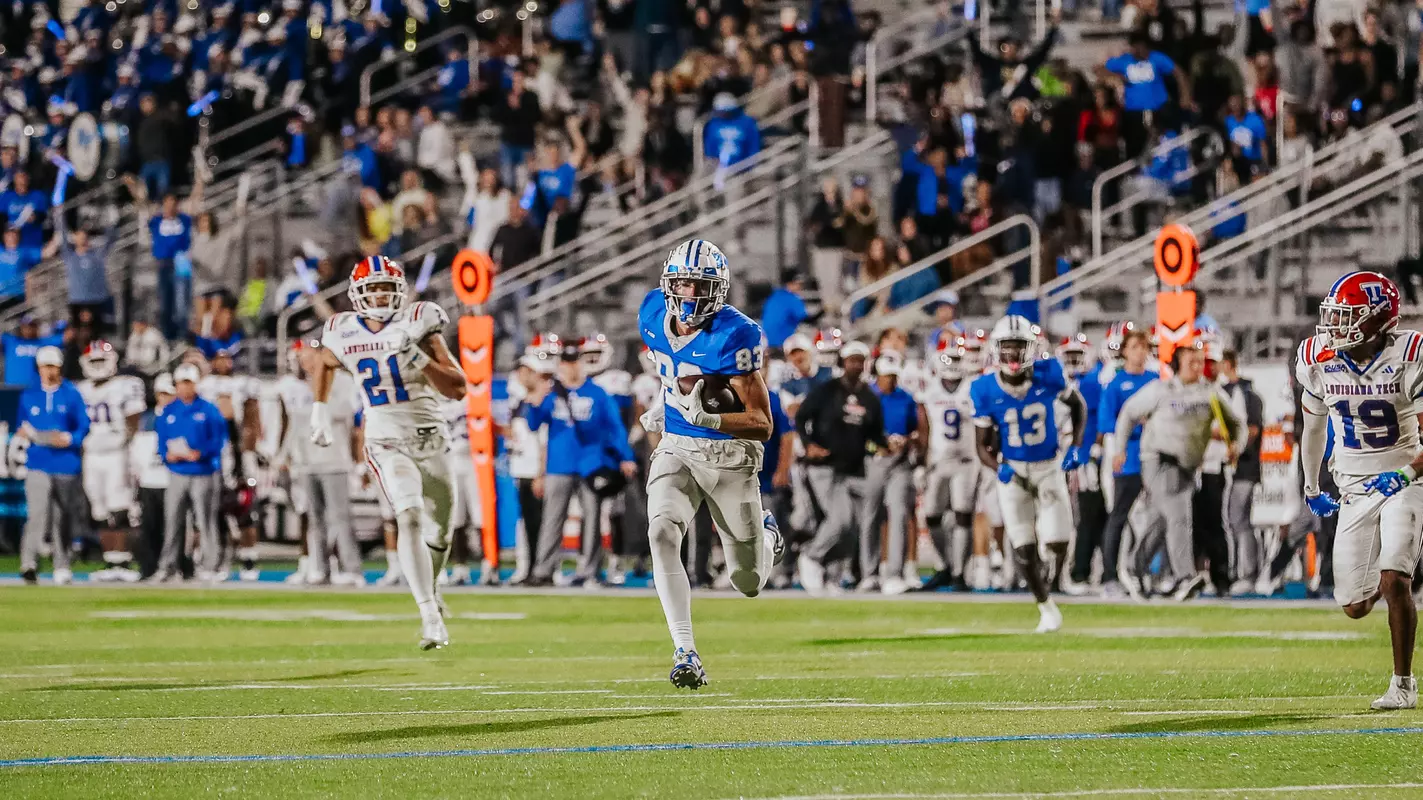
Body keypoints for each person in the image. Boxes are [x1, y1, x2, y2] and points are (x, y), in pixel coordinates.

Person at [637, 238, 783, 689]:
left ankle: (769, 536)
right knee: (661, 532)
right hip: (678, 447)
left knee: (748, 581)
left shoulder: (736, 333)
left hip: (730, 457)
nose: (688, 295)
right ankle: (685, 650)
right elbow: (671, 369)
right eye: (680, 284)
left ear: (717, 290)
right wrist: (669, 406)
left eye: (698, 286)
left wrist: (710, 416)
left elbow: (762, 423)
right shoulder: (651, 315)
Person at [310, 255, 469, 650]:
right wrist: (320, 409)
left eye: (386, 288)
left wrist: (416, 356)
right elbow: (324, 362)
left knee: (441, 532)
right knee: (409, 515)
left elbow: (458, 387)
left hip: (431, 437)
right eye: (373, 288)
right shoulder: (342, 330)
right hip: (385, 438)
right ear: (357, 294)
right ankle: (429, 614)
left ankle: (431, 591)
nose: (380, 295)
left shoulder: (418, 324)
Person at [1295, 272, 1423, 710]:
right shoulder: (1318, 357)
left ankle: (1403, 684)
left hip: (1408, 478)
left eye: (1347, 316)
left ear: (1379, 321)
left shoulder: (1410, 355)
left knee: (1394, 577)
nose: (1335, 325)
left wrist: (1406, 474)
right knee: (1353, 605)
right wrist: (1311, 483)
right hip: (1354, 486)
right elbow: (1313, 426)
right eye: (1333, 315)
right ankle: (1390, 588)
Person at [970, 315, 1087, 633]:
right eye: (1006, 349)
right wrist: (998, 467)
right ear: (996, 350)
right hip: (1015, 470)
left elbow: (1079, 407)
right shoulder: (983, 389)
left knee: (1058, 539)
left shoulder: (1048, 374)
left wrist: (1075, 447)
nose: (1012, 355)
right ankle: (1045, 606)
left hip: (1048, 466)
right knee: (1022, 544)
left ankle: (1053, 576)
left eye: (1018, 348)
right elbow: (981, 445)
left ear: (1030, 349)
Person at [1114, 341, 1246, 602]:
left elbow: (1237, 423)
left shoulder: (1211, 393)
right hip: (1158, 459)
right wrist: (1120, 449)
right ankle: (1185, 576)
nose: (1197, 367)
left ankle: (1132, 568)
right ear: (1176, 365)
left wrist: (1236, 447)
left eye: (1200, 361)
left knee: (1161, 521)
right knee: (1179, 516)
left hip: (1186, 467)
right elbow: (1129, 412)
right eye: (1191, 362)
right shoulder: (1161, 390)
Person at [795, 340, 884, 596]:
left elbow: (875, 434)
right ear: (842, 362)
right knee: (840, 519)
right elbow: (802, 416)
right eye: (851, 359)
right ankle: (811, 556)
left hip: (853, 468)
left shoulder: (869, 397)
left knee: (851, 527)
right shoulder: (828, 390)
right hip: (824, 466)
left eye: (860, 360)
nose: (856, 364)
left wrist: (887, 444)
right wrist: (808, 444)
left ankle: (831, 574)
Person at [277, 342, 364, 586]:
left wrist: (319, 398)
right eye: (302, 358)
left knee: (340, 517)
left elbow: (345, 410)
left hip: (334, 459)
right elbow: (294, 424)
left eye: (309, 357)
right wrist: (284, 457)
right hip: (306, 462)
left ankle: (351, 568)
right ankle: (320, 567)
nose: (305, 363)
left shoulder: (342, 381)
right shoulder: (298, 387)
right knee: (314, 520)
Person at [16, 346, 89, 585]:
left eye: (52, 366)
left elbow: (83, 426)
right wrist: (27, 434)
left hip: (66, 463)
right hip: (38, 461)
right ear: (38, 368)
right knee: (37, 513)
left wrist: (69, 438)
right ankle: (29, 562)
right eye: (44, 367)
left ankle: (62, 564)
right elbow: (22, 425)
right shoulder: (29, 394)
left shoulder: (71, 393)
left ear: (59, 367)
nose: (48, 371)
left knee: (62, 517)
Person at [152, 363, 228, 584]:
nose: (185, 388)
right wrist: (168, 455)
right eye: (181, 383)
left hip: (203, 471)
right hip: (177, 472)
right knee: (173, 521)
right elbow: (162, 442)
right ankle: (168, 567)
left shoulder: (208, 410)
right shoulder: (169, 411)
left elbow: (219, 440)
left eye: (188, 383)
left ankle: (210, 566)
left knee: (205, 521)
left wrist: (201, 453)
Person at [76, 340, 145, 582]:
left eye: (101, 360)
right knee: (99, 508)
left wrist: (130, 448)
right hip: (92, 454)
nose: (97, 366)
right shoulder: (80, 389)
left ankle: (124, 560)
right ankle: (110, 560)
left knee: (121, 506)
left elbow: (134, 420)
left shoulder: (127, 385)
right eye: (93, 361)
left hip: (117, 452)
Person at [1096, 326, 1156, 599]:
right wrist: (1134, 423)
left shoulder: (1156, 381)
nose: (1140, 352)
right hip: (1128, 458)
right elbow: (1107, 422)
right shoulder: (1116, 384)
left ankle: (1144, 571)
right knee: (1118, 517)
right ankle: (1110, 576)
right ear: (1124, 351)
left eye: (1143, 347)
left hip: (1154, 457)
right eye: (1135, 347)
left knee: (1155, 519)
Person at [860, 354, 926, 594]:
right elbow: (856, 431)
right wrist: (876, 444)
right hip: (872, 461)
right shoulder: (866, 397)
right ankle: (869, 573)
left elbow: (916, 430)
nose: (891, 380)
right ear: (878, 375)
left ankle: (895, 574)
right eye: (887, 376)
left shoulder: (905, 398)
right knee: (870, 516)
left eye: (894, 376)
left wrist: (907, 441)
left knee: (899, 512)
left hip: (899, 463)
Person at [918, 342, 980, 591]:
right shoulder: (930, 390)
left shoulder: (972, 387)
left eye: (957, 358)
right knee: (931, 515)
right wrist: (921, 461)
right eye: (948, 358)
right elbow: (924, 428)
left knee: (963, 514)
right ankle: (946, 565)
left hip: (966, 462)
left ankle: (959, 573)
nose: (953, 364)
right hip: (938, 460)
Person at [1219, 349, 1265, 594]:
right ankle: (1237, 571)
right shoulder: (1223, 392)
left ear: (1227, 364)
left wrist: (1236, 450)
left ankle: (1248, 573)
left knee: (1239, 520)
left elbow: (1253, 429)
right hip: (1228, 468)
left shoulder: (1247, 395)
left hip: (1244, 468)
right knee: (1231, 521)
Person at [130, 373, 175, 579]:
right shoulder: (147, 419)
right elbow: (138, 449)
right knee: (149, 527)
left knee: (173, 528)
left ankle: (174, 566)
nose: (167, 398)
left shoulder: (179, 416)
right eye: (164, 394)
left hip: (172, 479)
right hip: (149, 479)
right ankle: (148, 568)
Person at [3, 312, 63, 387]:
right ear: (22, 327)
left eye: (33, 326)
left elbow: (65, 338)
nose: (30, 329)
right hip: (12, 388)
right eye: (28, 326)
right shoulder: (10, 341)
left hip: (35, 390)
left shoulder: (44, 343)